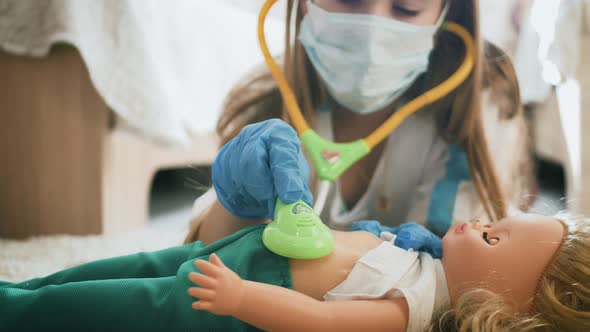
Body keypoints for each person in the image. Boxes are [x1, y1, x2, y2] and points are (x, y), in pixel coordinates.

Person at [185, 0, 530, 246]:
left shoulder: (479, 100)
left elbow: (456, 281)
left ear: (445, 11)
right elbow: (196, 265)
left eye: (406, 8)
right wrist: (235, 203)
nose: (372, 35)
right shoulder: (266, 99)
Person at [1, 213, 588, 331]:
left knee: (112, 304)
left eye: (492, 237)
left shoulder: (414, 308)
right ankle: (20, 291)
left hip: (225, 299)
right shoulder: (428, 256)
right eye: (494, 219)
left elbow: (317, 321)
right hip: (235, 255)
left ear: (498, 306)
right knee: (109, 270)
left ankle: (20, 312)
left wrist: (238, 299)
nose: (476, 224)